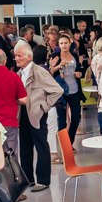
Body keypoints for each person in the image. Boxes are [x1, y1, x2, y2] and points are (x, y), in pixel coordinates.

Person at [15, 41, 62, 192]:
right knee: (25, 147)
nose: (16, 58)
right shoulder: (19, 72)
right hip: (22, 113)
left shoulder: (39, 71)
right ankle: (28, 179)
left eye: (19, 55)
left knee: (41, 146)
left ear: (29, 56)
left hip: (36, 113)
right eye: (15, 55)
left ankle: (43, 180)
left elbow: (57, 90)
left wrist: (44, 106)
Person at [50, 33, 83, 144]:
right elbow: (50, 71)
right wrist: (59, 66)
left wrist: (79, 74)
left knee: (75, 117)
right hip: (61, 92)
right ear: (59, 45)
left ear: (70, 43)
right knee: (62, 120)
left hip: (74, 90)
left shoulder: (74, 55)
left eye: (66, 43)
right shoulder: (55, 55)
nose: (64, 45)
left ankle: (70, 141)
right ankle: (64, 146)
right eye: (61, 43)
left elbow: (79, 69)